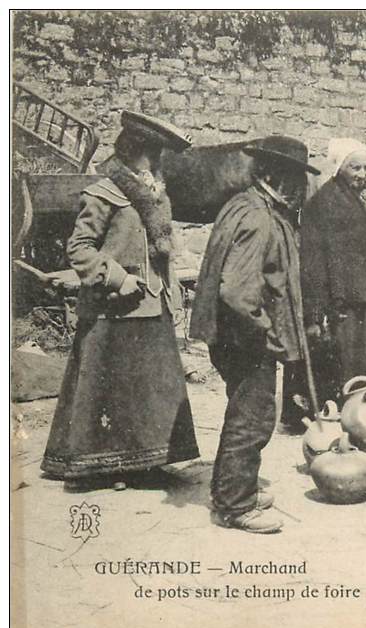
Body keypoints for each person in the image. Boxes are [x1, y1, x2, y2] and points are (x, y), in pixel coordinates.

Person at [42, 111, 199, 490]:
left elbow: (158, 251)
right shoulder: (102, 194)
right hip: (113, 309)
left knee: (150, 389)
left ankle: (146, 462)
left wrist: (171, 288)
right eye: (155, 151)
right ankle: (100, 467)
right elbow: (79, 249)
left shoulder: (155, 193)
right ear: (137, 150)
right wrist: (117, 277)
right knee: (108, 388)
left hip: (152, 304)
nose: (160, 159)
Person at [190, 135, 318, 534]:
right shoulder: (259, 218)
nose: (301, 191)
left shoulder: (244, 204)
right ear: (278, 177)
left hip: (232, 337)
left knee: (241, 411)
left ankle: (230, 486)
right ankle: (236, 504)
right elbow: (237, 291)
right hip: (246, 339)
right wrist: (266, 332)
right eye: (297, 181)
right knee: (254, 417)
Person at [281, 137, 366, 429]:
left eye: (365, 167)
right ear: (338, 167)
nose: (361, 174)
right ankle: (350, 415)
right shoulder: (322, 203)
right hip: (344, 295)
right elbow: (313, 260)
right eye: (354, 168)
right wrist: (316, 311)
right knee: (349, 359)